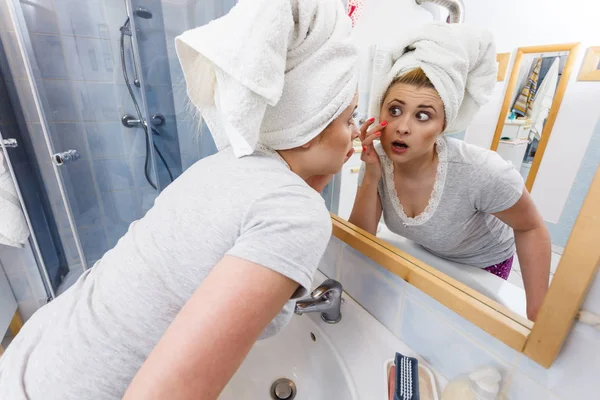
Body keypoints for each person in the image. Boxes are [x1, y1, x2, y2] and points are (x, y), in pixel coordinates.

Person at [0, 1, 359, 399]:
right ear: (311, 119)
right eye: (349, 118)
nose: (356, 132)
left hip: (35, 357)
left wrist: (314, 177)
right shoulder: (294, 212)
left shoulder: (227, 166)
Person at [349, 23, 550, 321]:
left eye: (422, 115)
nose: (403, 126)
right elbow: (360, 239)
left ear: (443, 125)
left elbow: (531, 227)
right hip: (430, 249)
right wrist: (370, 175)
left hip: (482, 265)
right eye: (394, 110)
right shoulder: (378, 160)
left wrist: (537, 314)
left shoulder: (481, 171)